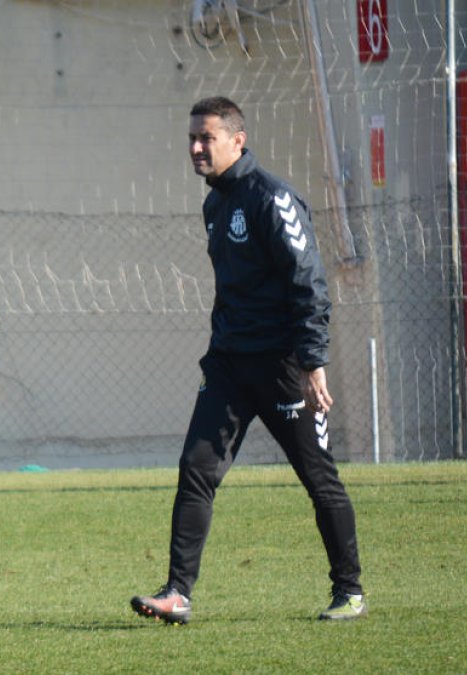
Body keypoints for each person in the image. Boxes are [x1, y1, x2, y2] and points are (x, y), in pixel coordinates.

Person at [130, 96, 366, 624]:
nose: (195, 148)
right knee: (196, 469)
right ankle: (177, 593)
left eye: (206, 138)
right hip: (230, 366)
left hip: (283, 367)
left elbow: (308, 279)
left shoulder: (272, 198)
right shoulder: (216, 204)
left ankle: (349, 590)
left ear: (237, 140)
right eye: (192, 138)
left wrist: (312, 359)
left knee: (317, 476)